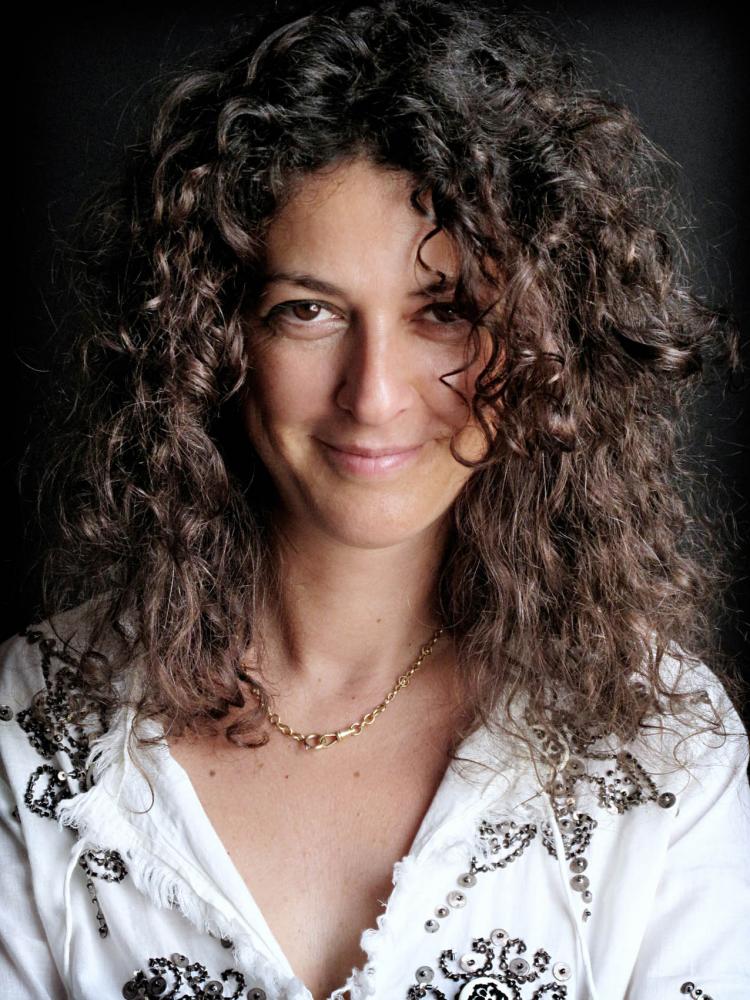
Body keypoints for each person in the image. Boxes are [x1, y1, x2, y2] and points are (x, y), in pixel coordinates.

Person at [1, 2, 748, 998]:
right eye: (308, 311)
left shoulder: (663, 744)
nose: (374, 395)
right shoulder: (31, 724)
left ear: (541, 340)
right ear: (213, 341)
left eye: (445, 312)